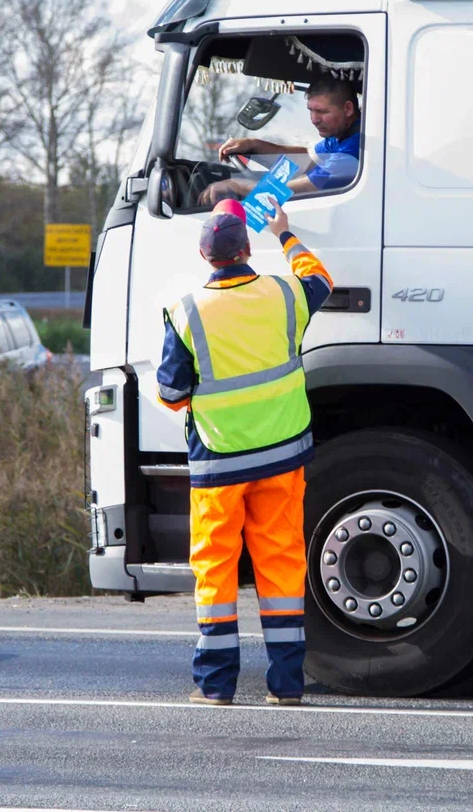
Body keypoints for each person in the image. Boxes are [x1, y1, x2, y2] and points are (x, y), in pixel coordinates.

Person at [156, 199, 334, 706]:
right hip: (282, 454)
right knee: (281, 565)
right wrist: (286, 235)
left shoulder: (185, 312)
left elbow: (172, 393)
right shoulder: (284, 294)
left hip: (220, 461)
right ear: (246, 249)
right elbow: (320, 280)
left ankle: (215, 686)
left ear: (204, 255)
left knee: (215, 568)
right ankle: (287, 685)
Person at [198, 77, 362, 205]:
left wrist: (235, 186)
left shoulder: (351, 153)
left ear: (348, 109)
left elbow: (298, 189)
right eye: (311, 110)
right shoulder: (343, 137)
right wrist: (253, 145)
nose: (314, 120)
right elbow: (306, 159)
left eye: (321, 111)